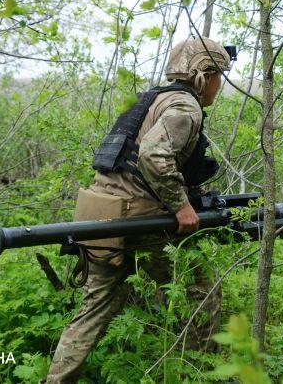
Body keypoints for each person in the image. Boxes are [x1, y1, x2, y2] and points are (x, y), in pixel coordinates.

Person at [45, 36, 231, 383]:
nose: (219, 85)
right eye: (219, 75)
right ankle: (200, 374)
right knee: (200, 292)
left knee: (93, 311)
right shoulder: (184, 108)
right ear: (204, 75)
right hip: (138, 217)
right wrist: (181, 207)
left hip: (100, 214)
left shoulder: (151, 99)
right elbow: (153, 154)